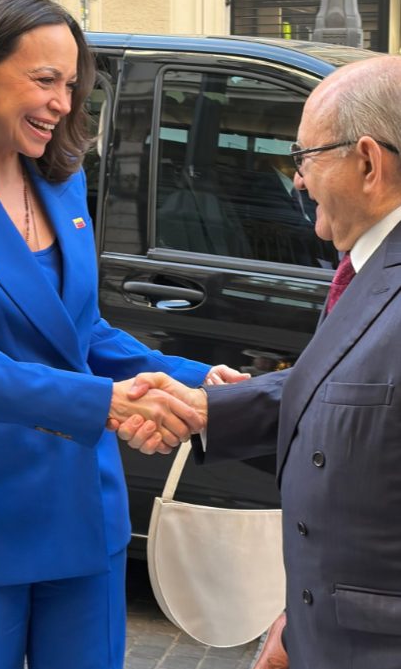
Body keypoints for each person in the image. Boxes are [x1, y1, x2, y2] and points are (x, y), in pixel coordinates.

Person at [0, 0, 246, 669]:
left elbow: (80, 331)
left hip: (80, 497)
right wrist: (107, 404)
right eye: (45, 80)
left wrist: (195, 378)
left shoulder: (61, 181)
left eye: (70, 85)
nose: (63, 103)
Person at [114, 55, 401, 669]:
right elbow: (338, 389)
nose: (296, 180)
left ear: (368, 163)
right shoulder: (369, 265)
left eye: (305, 156)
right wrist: (203, 409)